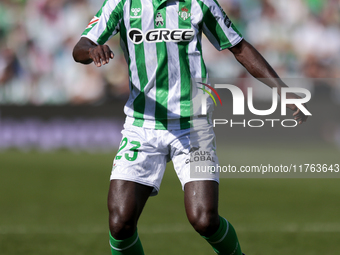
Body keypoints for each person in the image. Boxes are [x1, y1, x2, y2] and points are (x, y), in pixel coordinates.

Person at [73, 0, 308, 254]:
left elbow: (239, 48)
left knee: (204, 219)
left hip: (192, 125)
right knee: (120, 223)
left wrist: (283, 91)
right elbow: (80, 47)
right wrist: (92, 51)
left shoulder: (199, 3)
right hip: (142, 125)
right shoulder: (123, 4)